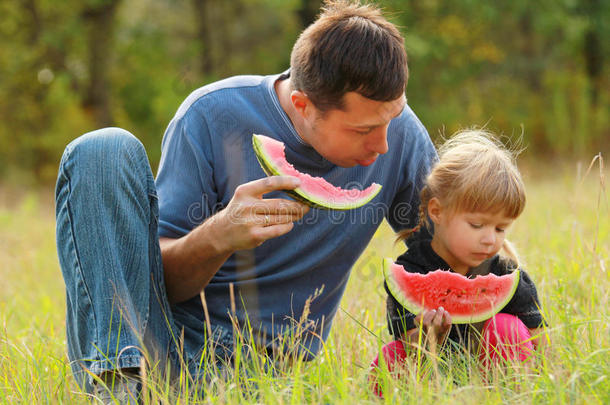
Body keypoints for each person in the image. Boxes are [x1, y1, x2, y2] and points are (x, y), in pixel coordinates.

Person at [55, 0, 437, 398]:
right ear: (303, 105)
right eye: (363, 130)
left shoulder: (399, 133)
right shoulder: (211, 116)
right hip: (160, 352)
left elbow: (451, 242)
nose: (384, 144)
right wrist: (219, 234)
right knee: (103, 149)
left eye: (393, 117)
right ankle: (119, 390)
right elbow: (155, 281)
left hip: (266, 378)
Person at [369, 130, 547, 397]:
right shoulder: (410, 270)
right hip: (434, 377)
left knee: (505, 330)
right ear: (437, 212)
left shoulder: (507, 275)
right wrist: (430, 337)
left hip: (494, 379)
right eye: (477, 225)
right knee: (391, 357)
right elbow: (409, 345)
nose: (490, 239)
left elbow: (539, 342)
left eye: (500, 229)